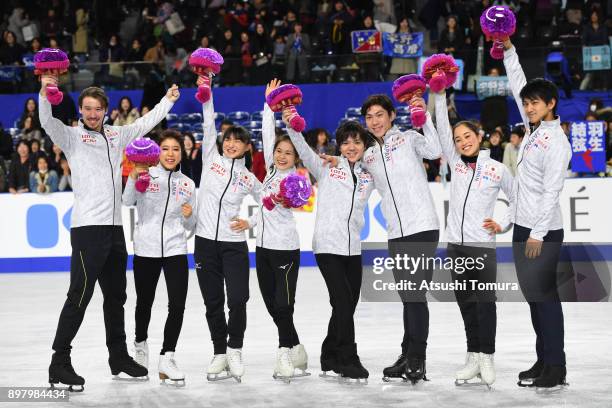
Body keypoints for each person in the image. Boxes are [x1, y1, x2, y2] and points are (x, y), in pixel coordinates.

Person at [39, 70, 179, 391]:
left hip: (116, 232)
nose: (92, 114)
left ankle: (118, 356)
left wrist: (167, 101)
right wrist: (46, 92)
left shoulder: (116, 136)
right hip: (88, 231)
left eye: (97, 109)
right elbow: (46, 122)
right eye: (87, 108)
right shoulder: (72, 137)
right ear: (81, 111)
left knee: (116, 298)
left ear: (106, 110)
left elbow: (145, 123)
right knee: (80, 296)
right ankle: (59, 362)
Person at [286, 102, 375, 382]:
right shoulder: (326, 167)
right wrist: (290, 121)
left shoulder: (368, 174)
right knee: (342, 302)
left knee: (346, 304)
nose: (350, 147)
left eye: (356, 142)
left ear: (364, 145)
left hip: (353, 247)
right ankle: (349, 359)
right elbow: (302, 149)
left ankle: (329, 353)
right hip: (327, 245)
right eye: (345, 143)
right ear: (338, 146)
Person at [503, 38, 572, 390]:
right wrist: (509, 50)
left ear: (551, 105)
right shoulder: (532, 130)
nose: (528, 107)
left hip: (541, 232)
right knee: (534, 298)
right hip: (523, 226)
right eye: (527, 103)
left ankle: (556, 367)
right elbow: (517, 85)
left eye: (535, 103)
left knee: (544, 297)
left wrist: (537, 234)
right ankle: (543, 357)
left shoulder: (557, 142)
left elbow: (552, 191)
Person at [433, 90, 514, 387]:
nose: (462, 142)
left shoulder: (497, 169)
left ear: (479, 136)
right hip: (455, 245)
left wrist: (502, 223)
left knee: (485, 303)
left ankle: (488, 356)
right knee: (466, 303)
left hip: (482, 247)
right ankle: (473, 356)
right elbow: (442, 126)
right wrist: (439, 95)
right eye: (458, 139)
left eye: (467, 136)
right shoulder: (455, 163)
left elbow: (517, 199)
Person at [360, 94, 442, 383]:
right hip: (395, 231)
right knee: (408, 296)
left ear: (392, 115)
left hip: (422, 225)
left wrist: (425, 116)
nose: (375, 121)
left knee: (414, 294)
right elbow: (357, 182)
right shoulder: (368, 155)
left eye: (379, 114)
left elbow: (434, 149)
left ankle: (417, 358)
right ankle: (407, 354)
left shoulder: (408, 139)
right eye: (369, 117)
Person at [236, 79, 308, 382]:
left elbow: (295, 202)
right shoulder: (269, 173)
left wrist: (285, 199)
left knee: (283, 304)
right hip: (263, 249)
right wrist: (268, 105)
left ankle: (283, 357)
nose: (281, 155)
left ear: (295, 158)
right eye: (279, 151)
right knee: (272, 306)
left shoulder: (298, 180)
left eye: (287, 153)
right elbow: (266, 136)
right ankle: (297, 347)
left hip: (286, 250)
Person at [193, 79, 262, 383]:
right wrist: (206, 93)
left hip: (234, 244)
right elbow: (209, 124)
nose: (231, 143)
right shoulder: (211, 159)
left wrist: (251, 222)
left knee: (237, 299)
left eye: (238, 140)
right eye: (228, 139)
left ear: (248, 146)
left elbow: (270, 201)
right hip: (205, 242)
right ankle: (219, 352)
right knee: (212, 303)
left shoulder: (248, 177)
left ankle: (235, 348)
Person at [123, 130, 196, 387]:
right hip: (146, 248)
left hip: (176, 248)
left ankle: (168, 357)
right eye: (165, 148)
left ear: (181, 153)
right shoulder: (146, 173)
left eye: (176, 149)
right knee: (144, 302)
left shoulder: (188, 184)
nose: (170, 153)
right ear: (158, 152)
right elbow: (127, 201)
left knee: (177, 305)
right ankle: (140, 345)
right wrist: (133, 176)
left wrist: (188, 215)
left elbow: (192, 226)